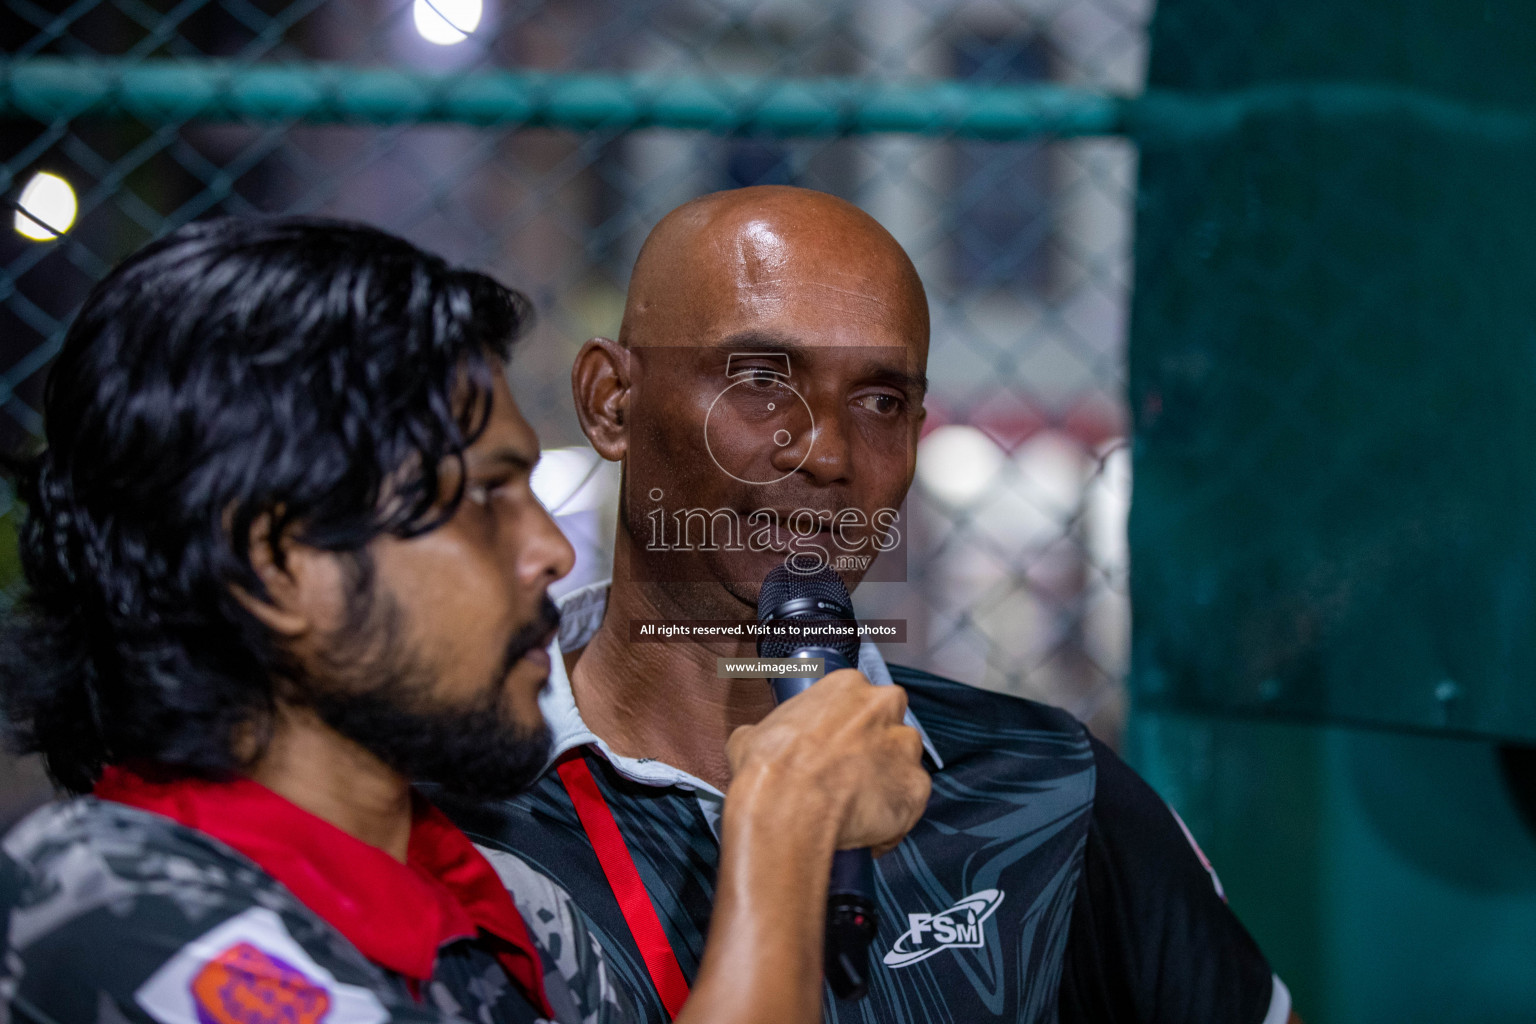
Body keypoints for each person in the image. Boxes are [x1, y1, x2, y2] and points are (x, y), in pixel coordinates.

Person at [0, 217, 931, 1024]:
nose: (552, 552)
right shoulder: (91, 900)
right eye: (485, 495)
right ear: (282, 564)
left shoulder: (512, 913)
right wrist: (784, 832)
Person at [443, 186, 1303, 1024]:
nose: (825, 452)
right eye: (760, 379)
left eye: (882, 400)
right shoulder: (452, 804)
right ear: (611, 401)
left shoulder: (1050, 790)